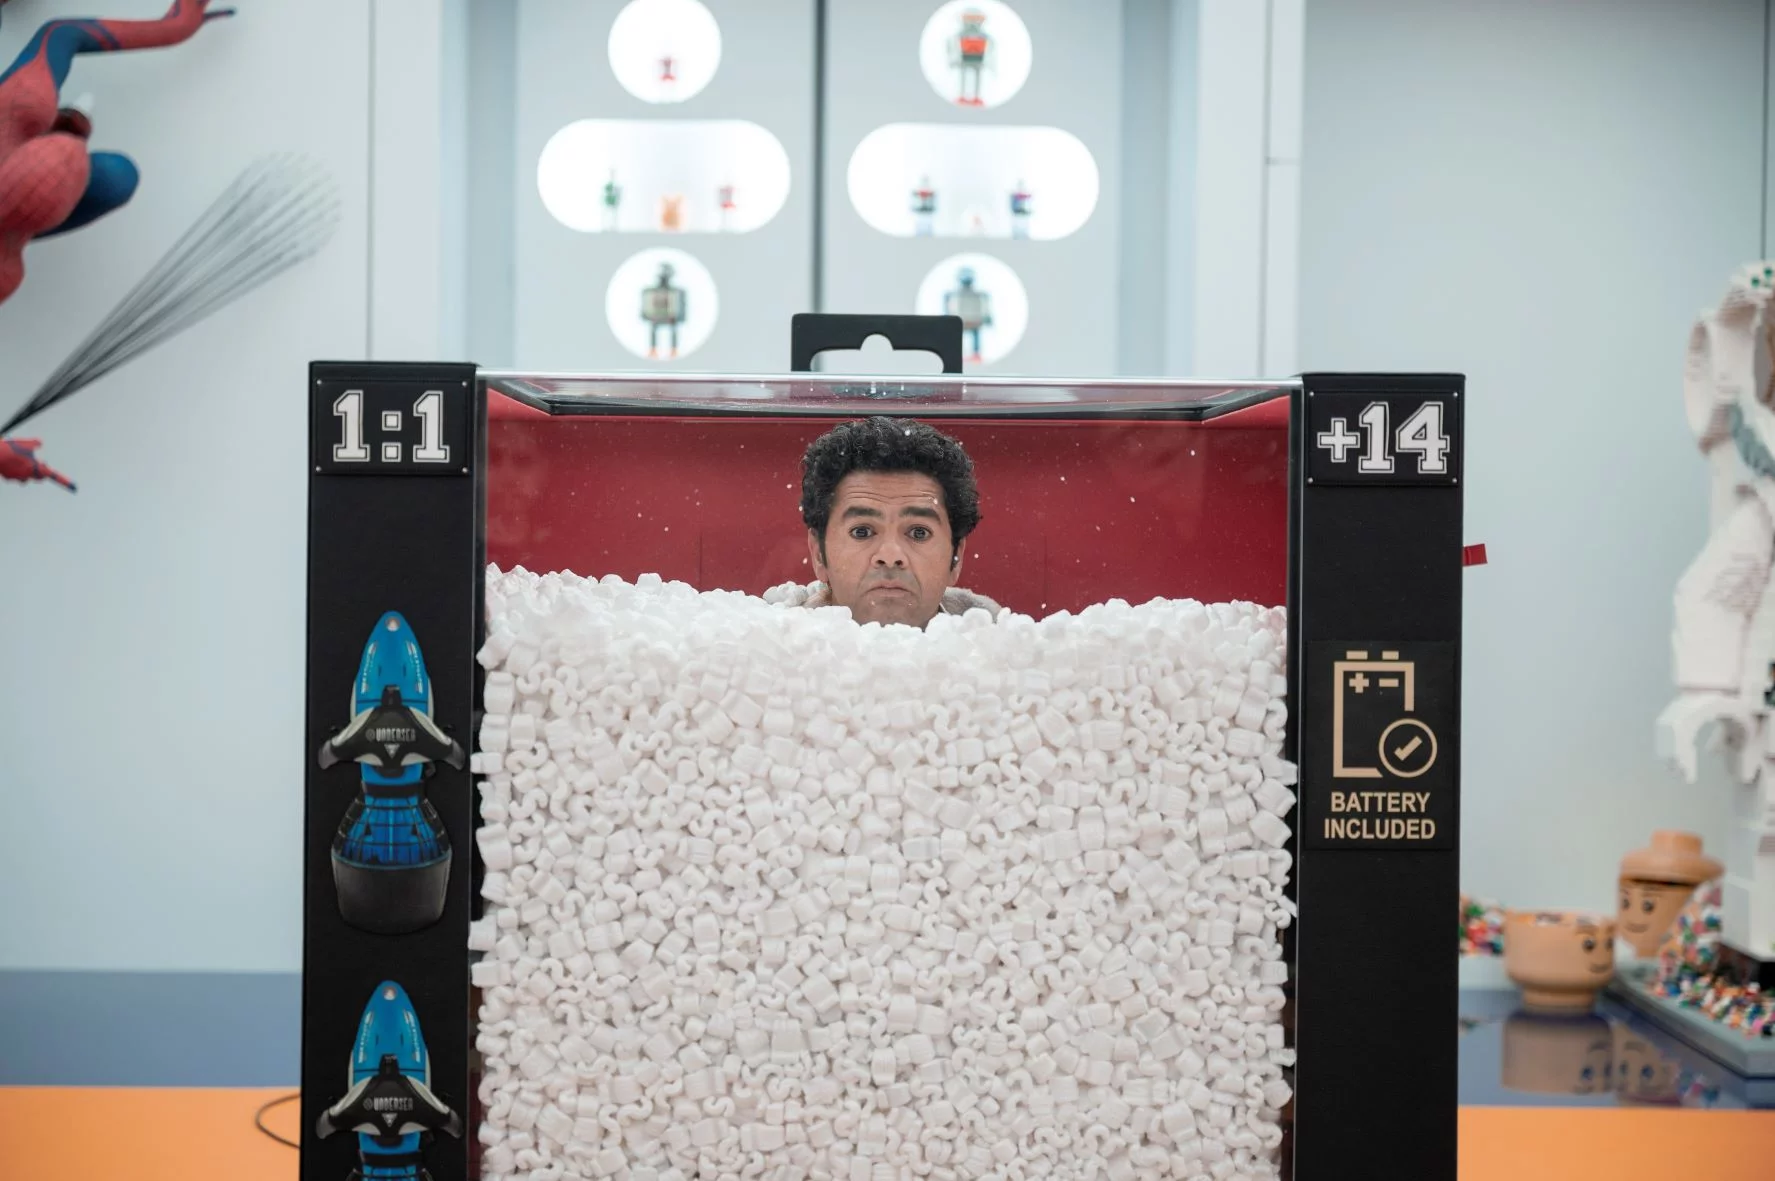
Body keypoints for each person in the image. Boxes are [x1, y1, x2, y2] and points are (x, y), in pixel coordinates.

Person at [794, 416, 1000, 628]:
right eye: (861, 532)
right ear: (819, 554)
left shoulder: (1001, 635)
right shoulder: (774, 638)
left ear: (956, 559)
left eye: (919, 532)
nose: (890, 557)